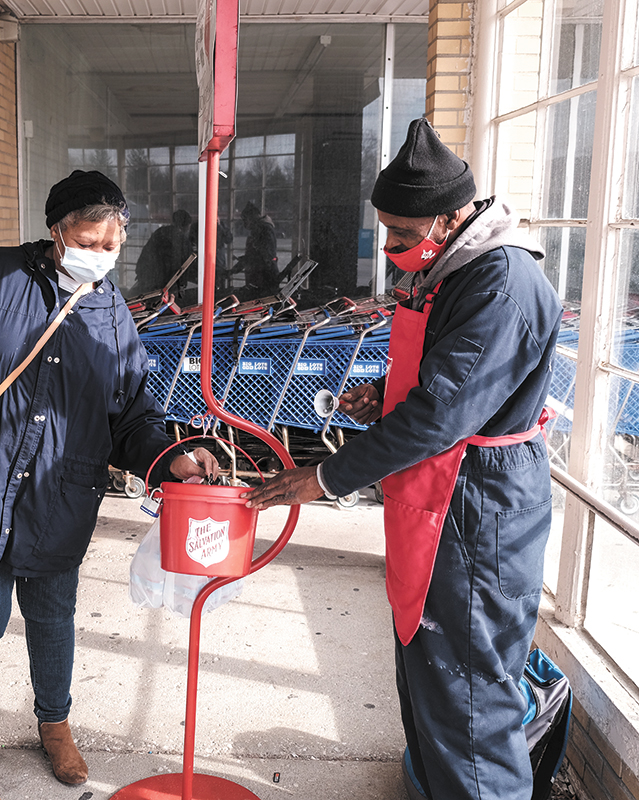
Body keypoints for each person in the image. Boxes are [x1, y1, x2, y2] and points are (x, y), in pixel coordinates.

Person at [0, 169, 219, 800]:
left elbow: (132, 415)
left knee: (54, 619)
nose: (100, 256)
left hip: (62, 498)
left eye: (111, 247)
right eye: (88, 241)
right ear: (57, 233)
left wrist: (172, 458)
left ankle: (54, 726)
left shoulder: (112, 312)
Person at [241, 118, 562, 800]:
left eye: (403, 235)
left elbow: (443, 414)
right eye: (385, 230)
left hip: (479, 507)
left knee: (468, 698)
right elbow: (447, 378)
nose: (389, 248)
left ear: (449, 219)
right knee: (427, 669)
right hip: (440, 491)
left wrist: (324, 476)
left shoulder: (499, 286)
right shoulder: (455, 269)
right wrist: (383, 392)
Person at [130, 209, 195, 297]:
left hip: (148, 279)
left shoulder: (160, 232)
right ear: (186, 226)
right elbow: (185, 266)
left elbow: (146, 252)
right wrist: (182, 285)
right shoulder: (183, 241)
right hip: (167, 285)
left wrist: (141, 273)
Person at [232, 201, 279, 300]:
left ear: (252, 217)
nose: (244, 223)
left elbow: (263, 255)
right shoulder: (264, 229)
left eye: (245, 220)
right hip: (262, 275)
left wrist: (244, 262)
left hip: (262, 276)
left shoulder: (262, 229)